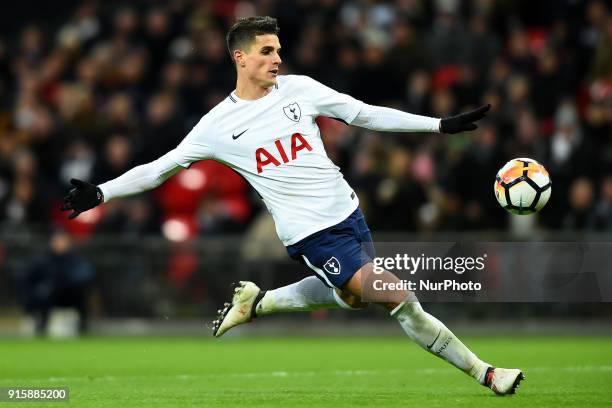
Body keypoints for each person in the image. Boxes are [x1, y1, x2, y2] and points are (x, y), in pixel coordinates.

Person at [61, 16, 523, 395]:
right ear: (240, 58)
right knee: (397, 296)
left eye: (279, 50)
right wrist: (102, 192)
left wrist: (438, 125)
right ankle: (486, 373)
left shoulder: (299, 89)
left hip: (350, 214)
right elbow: (160, 168)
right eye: (266, 51)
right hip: (311, 235)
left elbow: (362, 113)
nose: (277, 58)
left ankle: (257, 303)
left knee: (353, 298)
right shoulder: (217, 125)